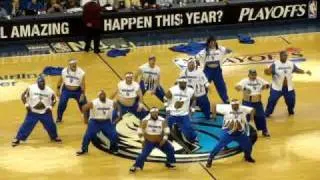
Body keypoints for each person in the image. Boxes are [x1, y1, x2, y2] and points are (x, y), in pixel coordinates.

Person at [12, 76, 62, 147]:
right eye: (40, 83)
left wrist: (50, 107)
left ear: (45, 83)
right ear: (37, 83)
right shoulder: (31, 88)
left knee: (51, 125)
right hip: (33, 112)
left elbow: (54, 100)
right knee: (26, 125)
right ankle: (18, 138)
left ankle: (54, 137)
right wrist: (26, 104)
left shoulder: (49, 90)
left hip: (45, 112)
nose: (42, 84)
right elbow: (23, 96)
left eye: (43, 83)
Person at [206, 99, 255, 168]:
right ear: (231, 105)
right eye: (234, 106)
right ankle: (210, 158)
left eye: (236, 106)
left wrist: (251, 120)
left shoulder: (243, 108)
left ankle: (247, 157)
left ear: (239, 105)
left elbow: (252, 110)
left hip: (240, 132)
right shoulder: (226, 108)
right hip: (228, 132)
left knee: (248, 145)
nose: (235, 107)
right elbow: (214, 105)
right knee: (219, 146)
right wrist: (214, 115)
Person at [264, 51, 312, 117]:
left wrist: (305, 72)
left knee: (291, 101)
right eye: (284, 55)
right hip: (277, 88)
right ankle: (267, 113)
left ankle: (290, 110)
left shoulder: (290, 64)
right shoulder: (275, 64)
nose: (285, 57)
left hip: (289, 88)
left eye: (286, 55)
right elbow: (269, 72)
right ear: (280, 56)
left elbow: (296, 70)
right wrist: (267, 72)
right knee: (272, 101)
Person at [129, 107, 175, 172]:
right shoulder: (145, 120)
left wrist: (164, 140)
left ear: (158, 113)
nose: (155, 115)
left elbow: (167, 130)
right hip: (149, 141)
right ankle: (136, 166)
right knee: (144, 154)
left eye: (156, 113)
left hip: (160, 140)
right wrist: (142, 141)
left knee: (170, 149)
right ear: (150, 113)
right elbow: (139, 131)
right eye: (153, 113)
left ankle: (169, 162)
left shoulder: (162, 120)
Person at [76, 90, 119, 155]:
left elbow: (119, 108)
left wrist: (117, 118)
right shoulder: (94, 102)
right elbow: (84, 108)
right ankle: (84, 150)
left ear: (105, 95)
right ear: (98, 96)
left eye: (103, 94)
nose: (102, 96)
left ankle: (113, 148)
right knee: (88, 135)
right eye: (101, 95)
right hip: (94, 122)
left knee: (114, 134)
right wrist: (85, 119)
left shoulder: (110, 102)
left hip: (106, 122)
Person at [195, 36, 232, 104]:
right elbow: (196, 57)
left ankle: (226, 100)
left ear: (215, 42)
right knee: (204, 85)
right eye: (211, 42)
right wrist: (197, 62)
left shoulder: (220, 49)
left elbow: (229, 50)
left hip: (217, 71)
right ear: (208, 43)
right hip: (208, 71)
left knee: (221, 85)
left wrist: (227, 50)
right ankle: (200, 101)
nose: (212, 43)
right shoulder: (205, 51)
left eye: (213, 42)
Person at [235, 69, 270, 137]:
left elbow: (268, 84)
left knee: (261, 116)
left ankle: (264, 131)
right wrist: (244, 89)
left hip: (257, 102)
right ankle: (243, 131)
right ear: (249, 75)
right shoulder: (244, 81)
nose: (254, 76)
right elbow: (236, 87)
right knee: (245, 117)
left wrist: (265, 86)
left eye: (255, 75)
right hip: (247, 102)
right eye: (252, 75)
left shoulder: (259, 80)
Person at [165, 78, 197, 147]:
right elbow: (165, 98)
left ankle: (193, 138)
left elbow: (194, 99)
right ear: (179, 83)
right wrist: (167, 109)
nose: (183, 84)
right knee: (166, 127)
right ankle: (168, 138)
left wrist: (193, 108)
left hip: (184, 114)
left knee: (188, 128)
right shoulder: (172, 90)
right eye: (181, 83)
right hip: (172, 113)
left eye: (184, 83)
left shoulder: (190, 91)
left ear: (186, 83)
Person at [56, 59, 87, 123]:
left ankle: (87, 117)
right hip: (66, 90)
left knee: (84, 103)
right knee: (62, 103)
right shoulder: (64, 71)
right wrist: (58, 90)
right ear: (69, 65)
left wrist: (83, 94)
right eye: (73, 65)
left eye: (75, 64)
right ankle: (59, 118)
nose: (74, 65)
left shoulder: (81, 72)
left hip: (77, 90)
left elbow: (83, 84)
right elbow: (60, 81)